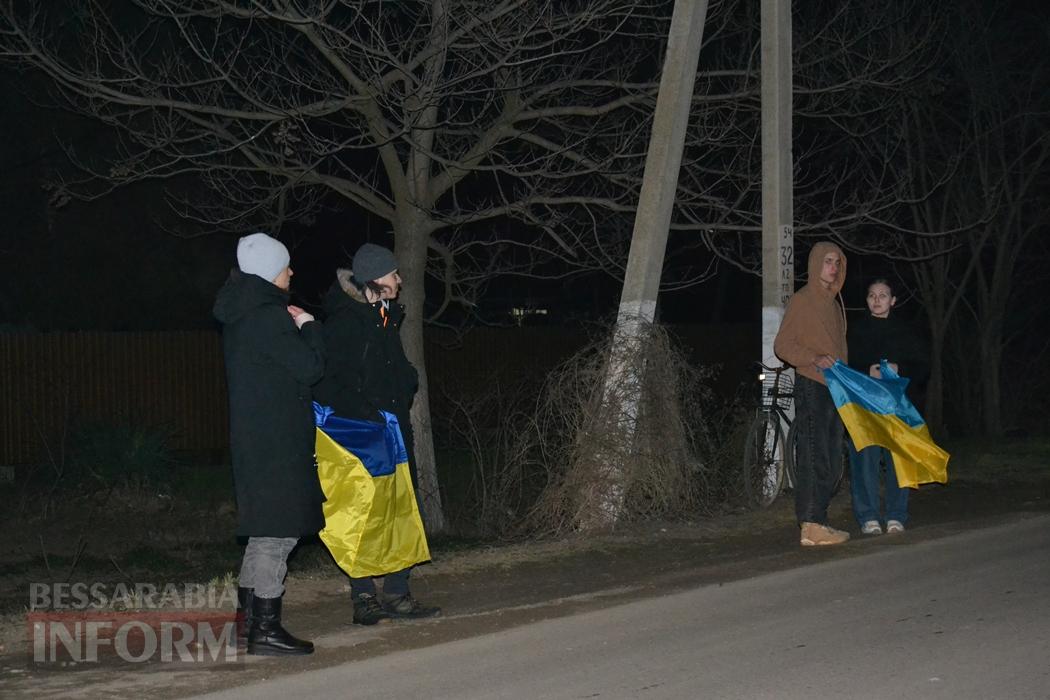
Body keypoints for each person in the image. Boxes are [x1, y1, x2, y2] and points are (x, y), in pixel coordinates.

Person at [313, 242, 440, 625]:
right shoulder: (344, 323)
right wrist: (368, 415)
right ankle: (363, 596)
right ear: (375, 280)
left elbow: (394, 369)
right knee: (362, 513)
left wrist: (406, 383)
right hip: (361, 438)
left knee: (400, 510)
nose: (400, 279)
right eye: (393, 274)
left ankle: (398, 593)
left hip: (393, 431)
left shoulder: (384, 316)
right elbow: (328, 384)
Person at [213, 232, 326, 656]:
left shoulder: (243, 315)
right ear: (267, 273)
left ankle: (246, 625)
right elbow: (309, 368)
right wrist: (310, 328)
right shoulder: (267, 317)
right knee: (275, 535)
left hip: (256, 439)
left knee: (264, 531)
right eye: (286, 266)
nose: (291, 272)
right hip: (275, 442)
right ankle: (265, 628)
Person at [774, 241, 851, 547]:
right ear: (816, 263)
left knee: (831, 456)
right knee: (813, 454)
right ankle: (810, 524)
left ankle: (819, 520)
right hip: (811, 385)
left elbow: (840, 350)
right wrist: (814, 358)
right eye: (829, 261)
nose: (833, 267)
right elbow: (782, 345)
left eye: (837, 263)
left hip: (835, 389)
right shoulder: (803, 300)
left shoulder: (833, 304)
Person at [847, 278, 928, 535]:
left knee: (898, 461)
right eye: (872, 295)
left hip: (897, 407)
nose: (877, 300)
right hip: (864, 409)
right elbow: (844, 365)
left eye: (883, 295)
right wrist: (865, 370)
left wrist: (899, 369)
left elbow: (923, 366)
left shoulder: (907, 331)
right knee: (865, 461)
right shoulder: (855, 331)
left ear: (893, 300)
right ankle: (868, 516)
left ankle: (896, 514)